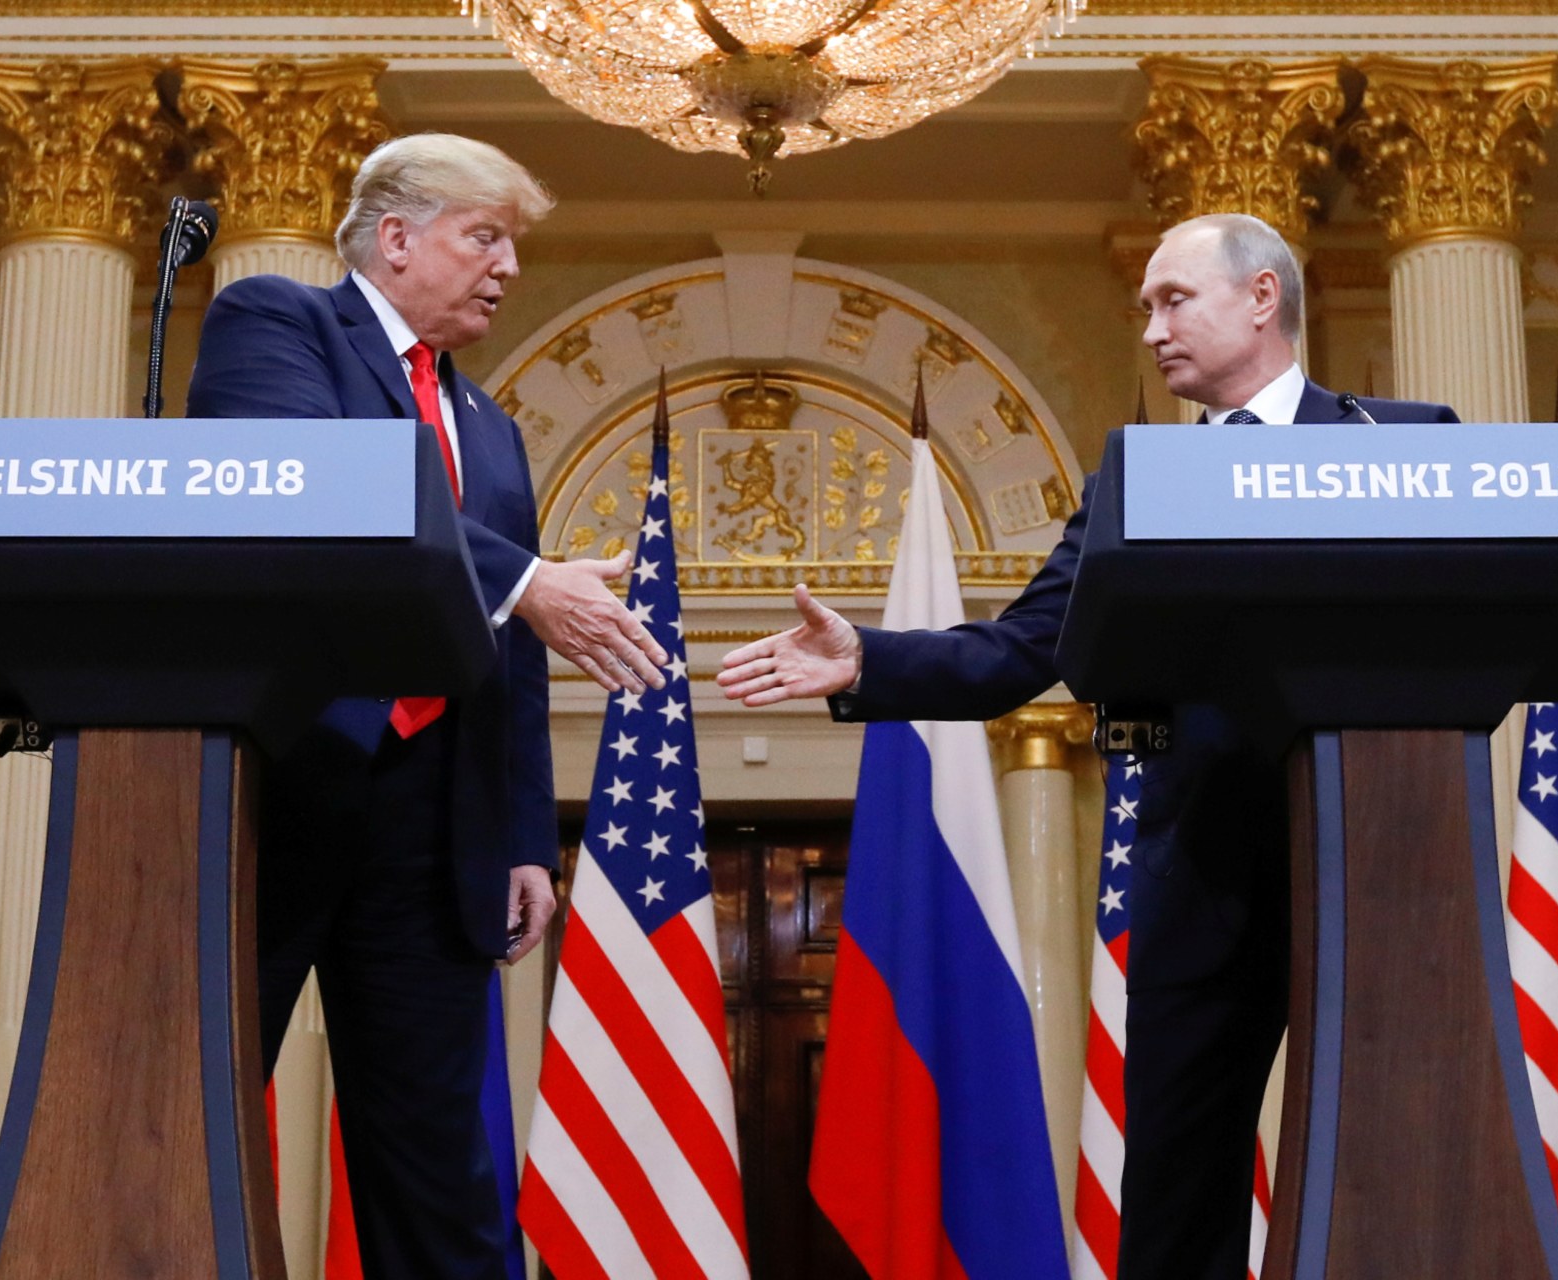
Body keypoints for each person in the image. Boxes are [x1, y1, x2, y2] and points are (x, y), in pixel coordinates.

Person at [717, 212, 1458, 1279]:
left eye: (1173, 300)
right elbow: (1021, 649)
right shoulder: (1134, 481)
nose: (1151, 328)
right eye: (1143, 307)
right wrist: (867, 662)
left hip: (1380, 857)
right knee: (1177, 1183)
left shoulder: (1405, 440)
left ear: (1261, 296)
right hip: (1199, 868)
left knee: (1404, 1156)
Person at [186, 133, 668, 1280]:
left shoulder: (491, 427)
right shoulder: (278, 322)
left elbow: (507, 656)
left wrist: (518, 838)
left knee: (437, 1165)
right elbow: (305, 482)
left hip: (431, 824)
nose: (506, 267)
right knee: (191, 1102)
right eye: (483, 236)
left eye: (513, 245)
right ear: (395, 237)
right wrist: (520, 577)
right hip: (279, 791)